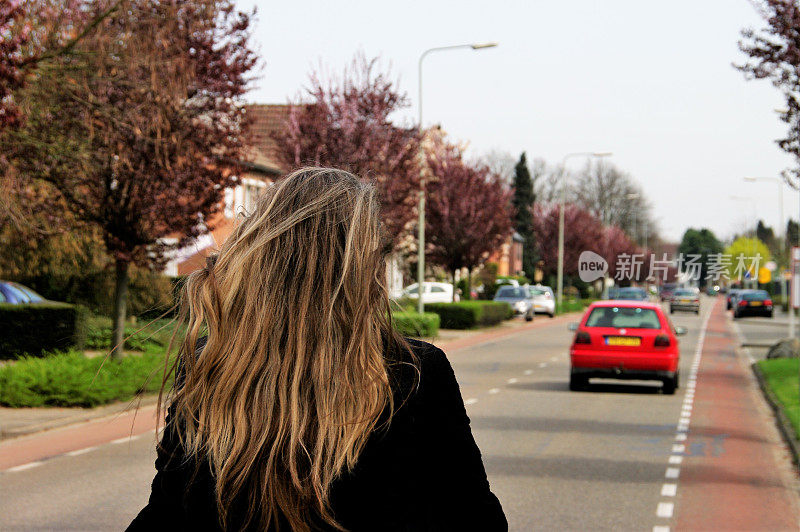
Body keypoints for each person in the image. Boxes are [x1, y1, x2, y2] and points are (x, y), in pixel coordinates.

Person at [128, 167, 507, 531]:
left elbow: (167, 513)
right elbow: (475, 517)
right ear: (364, 271)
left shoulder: (212, 361)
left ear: (259, 261)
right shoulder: (414, 371)